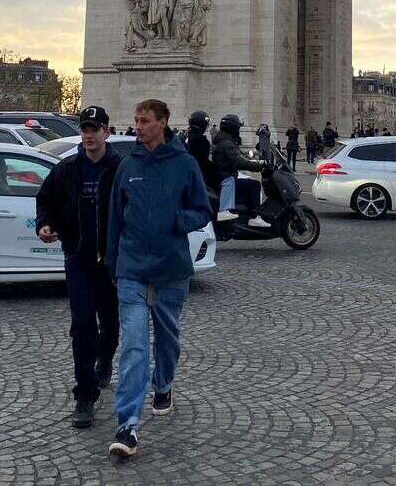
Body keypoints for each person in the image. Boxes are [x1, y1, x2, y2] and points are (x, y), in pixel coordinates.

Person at [106, 98, 213, 460]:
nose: (138, 127)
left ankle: (163, 384)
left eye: (145, 121)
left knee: (167, 337)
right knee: (135, 344)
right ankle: (127, 425)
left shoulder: (185, 165)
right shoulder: (128, 165)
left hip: (170, 266)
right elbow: (114, 220)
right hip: (132, 267)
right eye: (135, 120)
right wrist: (113, 264)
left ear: (164, 123)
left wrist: (176, 223)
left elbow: (202, 209)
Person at [35, 105, 123, 429]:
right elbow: (45, 200)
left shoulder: (120, 169)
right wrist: (44, 224)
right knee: (83, 326)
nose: (88, 134)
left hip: (111, 263)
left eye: (94, 129)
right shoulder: (67, 169)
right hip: (78, 259)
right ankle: (85, 397)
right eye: (85, 129)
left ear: (107, 133)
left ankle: (106, 358)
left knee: (110, 324)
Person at [210, 115, 270, 228]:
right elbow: (238, 162)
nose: (239, 130)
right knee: (254, 185)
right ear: (233, 128)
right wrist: (258, 167)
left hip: (223, 176)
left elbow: (238, 156)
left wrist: (254, 160)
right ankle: (254, 217)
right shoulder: (227, 143)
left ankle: (244, 213)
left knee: (247, 183)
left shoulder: (223, 140)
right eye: (238, 128)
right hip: (226, 177)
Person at [184, 110, 217, 192]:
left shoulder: (184, 135)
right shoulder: (201, 140)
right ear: (203, 124)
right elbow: (203, 162)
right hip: (197, 175)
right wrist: (217, 168)